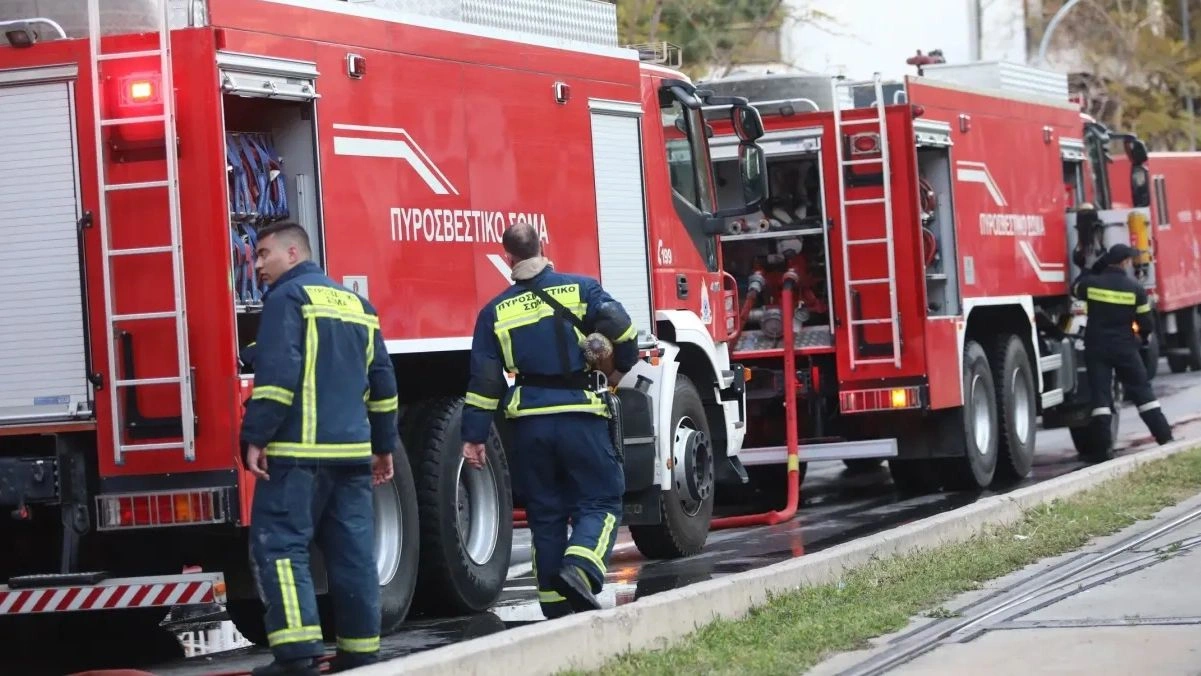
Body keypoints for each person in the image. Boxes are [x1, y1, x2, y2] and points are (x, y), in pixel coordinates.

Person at [239, 221, 400, 676]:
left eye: (264, 254)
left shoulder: (287, 301)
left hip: (297, 456)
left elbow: (278, 378)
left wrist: (255, 436)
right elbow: (384, 384)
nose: (258, 265)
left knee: (281, 549)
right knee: (352, 554)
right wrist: (383, 444)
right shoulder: (358, 306)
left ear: (293, 253)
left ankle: (297, 655)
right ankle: (361, 652)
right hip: (351, 457)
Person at [460, 222, 638, 619]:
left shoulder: (494, 312)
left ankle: (555, 609)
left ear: (509, 258)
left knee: (546, 513)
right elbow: (622, 328)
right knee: (602, 499)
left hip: (529, 426)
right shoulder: (581, 289)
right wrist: (617, 369)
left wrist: (472, 436)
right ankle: (581, 568)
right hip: (580, 415)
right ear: (543, 247)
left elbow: (485, 382)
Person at [1071, 242, 1173, 451]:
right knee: (1143, 394)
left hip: (1097, 348)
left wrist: (1090, 268)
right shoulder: (1135, 288)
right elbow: (1146, 324)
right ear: (1125, 262)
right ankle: (1164, 438)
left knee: (1100, 399)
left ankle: (1102, 450)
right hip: (1125, 348)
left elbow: (1075, 288)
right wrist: (1139, 340)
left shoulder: (1092, 284)